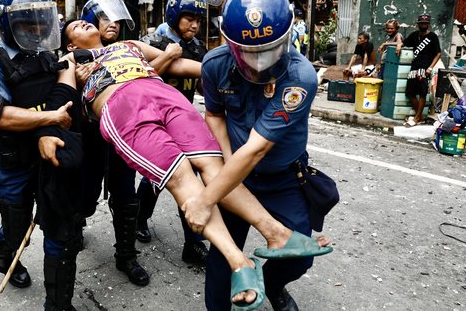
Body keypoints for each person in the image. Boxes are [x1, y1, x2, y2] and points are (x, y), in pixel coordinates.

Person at [54, 18, 332, 309]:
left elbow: (174, 66)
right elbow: (65, 102)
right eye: (75, 26)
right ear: (71, 43)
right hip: (122, 105)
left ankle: (278, 234)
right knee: (181, 178)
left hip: (164, 94)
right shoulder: (70, 60)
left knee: (217, 168)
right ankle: (239, 262)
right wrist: (78, 81)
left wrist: (222, 69)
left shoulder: (129, 45)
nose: (84, 23)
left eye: (86, 21)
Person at [181, 0, 333, 311]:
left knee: (299, 257)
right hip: (234, 175)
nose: (259, 62)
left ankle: (275, 286)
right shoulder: (214, 65)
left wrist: (205, 200)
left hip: (283, 178)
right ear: (228, 40)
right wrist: (225, 166)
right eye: (249, 52)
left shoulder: (300, 76)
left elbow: (257, 149)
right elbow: (214, 115)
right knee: (222, 260)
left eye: (269, 50)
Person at [0, 0, 84, 310]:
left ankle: (58, 305)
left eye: (41, 23)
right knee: (17, 229)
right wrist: (51, 117)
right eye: (27, 25)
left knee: (63, 233)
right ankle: (6, 253)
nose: (38, 30)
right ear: (8, 26)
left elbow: (62, 86)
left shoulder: (46, 54)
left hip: (52, 153)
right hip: (15, 161)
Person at [136, 0, 219, 266]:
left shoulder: (197, 48)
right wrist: (168, 55)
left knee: (191, 179)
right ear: (174, 16)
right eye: (189, 19)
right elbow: (139, 78)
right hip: (154, 120)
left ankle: (193, 243)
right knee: (156, 179)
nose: (195, 25)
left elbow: (198, 85)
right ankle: (139, 219)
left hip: (182, 119)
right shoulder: (152, 43)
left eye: (198, 20)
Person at [76, 0, 150, 286]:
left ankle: (127, 256)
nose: (113, 25)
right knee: (83, 198)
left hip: (122, 137)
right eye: (105, 18)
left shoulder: (126, 50)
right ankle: (74, 230)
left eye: (116, 20)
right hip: (90, 139)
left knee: (126, 198)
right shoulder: (77, 54)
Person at [402, 13, 441, 127]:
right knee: (409, 93)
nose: (423, 25)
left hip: (424, 69)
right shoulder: (414, 35)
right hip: (414, 68)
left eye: (425, 23)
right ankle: (420, 117)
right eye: (421, 23)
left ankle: (417, 117)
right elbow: (402, 43)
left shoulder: (433, 36)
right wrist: (390, 44)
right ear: (418, 24)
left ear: (429, 24)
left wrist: (430, 68)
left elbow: (438, 53)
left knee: (422, 93)